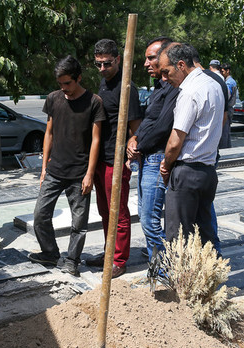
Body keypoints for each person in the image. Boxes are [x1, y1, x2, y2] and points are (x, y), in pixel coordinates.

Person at [28, 56, 106, 277]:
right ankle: (50, 253)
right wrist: (43, 167)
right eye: (60, 84)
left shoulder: (94, 102)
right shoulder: (53, 99)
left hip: (79, 173)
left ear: (78, 78)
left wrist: (89, 174)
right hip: (54, 170)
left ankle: (72, 260)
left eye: (68, 84)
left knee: (78, 224)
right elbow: (49, 133)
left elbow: (96, 140)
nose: (64, 89)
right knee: (40, 215)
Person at [158, 43, 225, 246]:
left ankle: (181, 278)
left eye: (166, 72)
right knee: (204, 236)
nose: (164, 78)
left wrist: (166, 165)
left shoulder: (189, 92)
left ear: (180, 65)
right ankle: (206, 277)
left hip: (187, 173)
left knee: (178, 239)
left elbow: (175, 141)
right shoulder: (214, 85)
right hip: (207, 172)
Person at [86, 39, 142, 278]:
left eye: (107, 64)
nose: (102, 69)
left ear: (118, 60)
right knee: (103, 210)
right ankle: (109, 252)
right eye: (98, 64)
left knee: (117, 212)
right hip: (100, 158)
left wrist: (129, 157)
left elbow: (136, 128)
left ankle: (119, 260)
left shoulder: (127, 87)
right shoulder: (104, 83)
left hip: (115, 160)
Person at [126, 36, 177, 260]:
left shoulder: (173, 88)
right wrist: (134, 139)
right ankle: (156, 269)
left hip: (157, 158)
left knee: (150, 220)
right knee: (145, 217)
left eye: (151, 58)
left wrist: (139, 145)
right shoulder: (159, 87)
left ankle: (164, 271)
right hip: (147, 157)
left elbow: (164, 127)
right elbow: (149, 122)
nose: (146, 64)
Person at [220, 63, 238, 149]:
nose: (221, 73)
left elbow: (226, 96)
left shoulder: (230, 82)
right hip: (228, 109)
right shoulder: (229, 81)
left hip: (228, 109)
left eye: (222, 71)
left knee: (225, 133)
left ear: (228, 71)